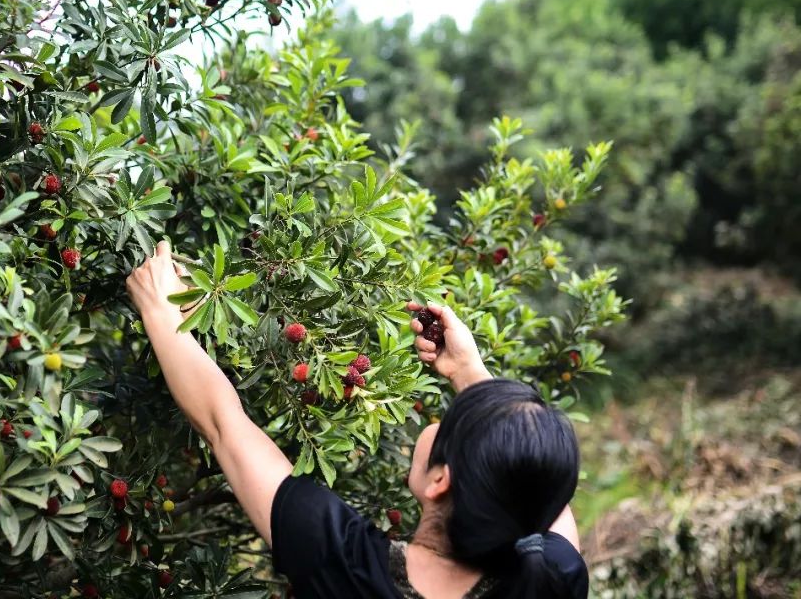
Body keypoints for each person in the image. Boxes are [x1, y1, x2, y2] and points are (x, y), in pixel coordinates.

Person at [127, 241, 589, 599]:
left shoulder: (346, 567)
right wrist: (467, 372)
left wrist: (160, 311)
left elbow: (223, 424)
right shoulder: (551, 577)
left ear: (440, 481)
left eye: (450, 422)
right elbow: (540, 483)